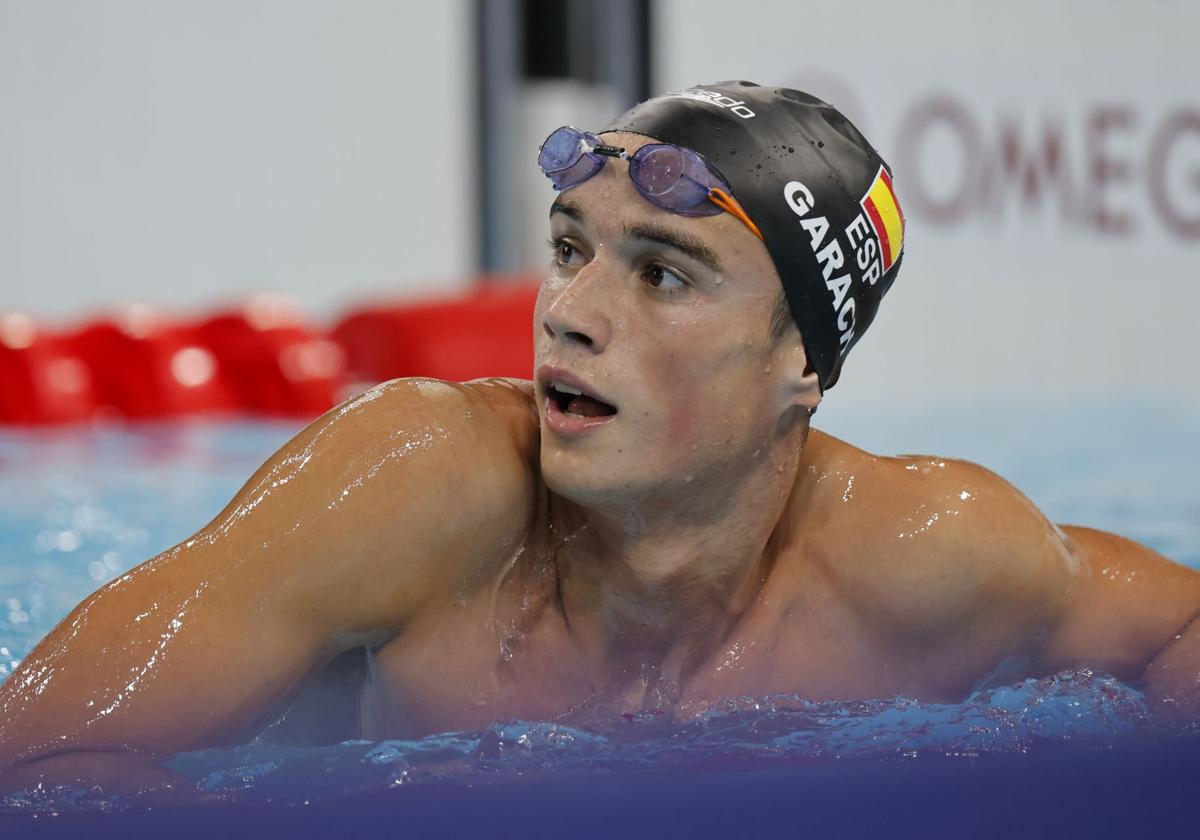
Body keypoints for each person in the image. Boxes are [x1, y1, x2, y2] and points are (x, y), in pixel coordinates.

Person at [2, 81, 1199, 797]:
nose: (569, 312)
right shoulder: (417, 479)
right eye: (570, 248)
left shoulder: (925, 550)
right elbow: (36, 766)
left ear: (803, 366)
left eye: (664, 276)